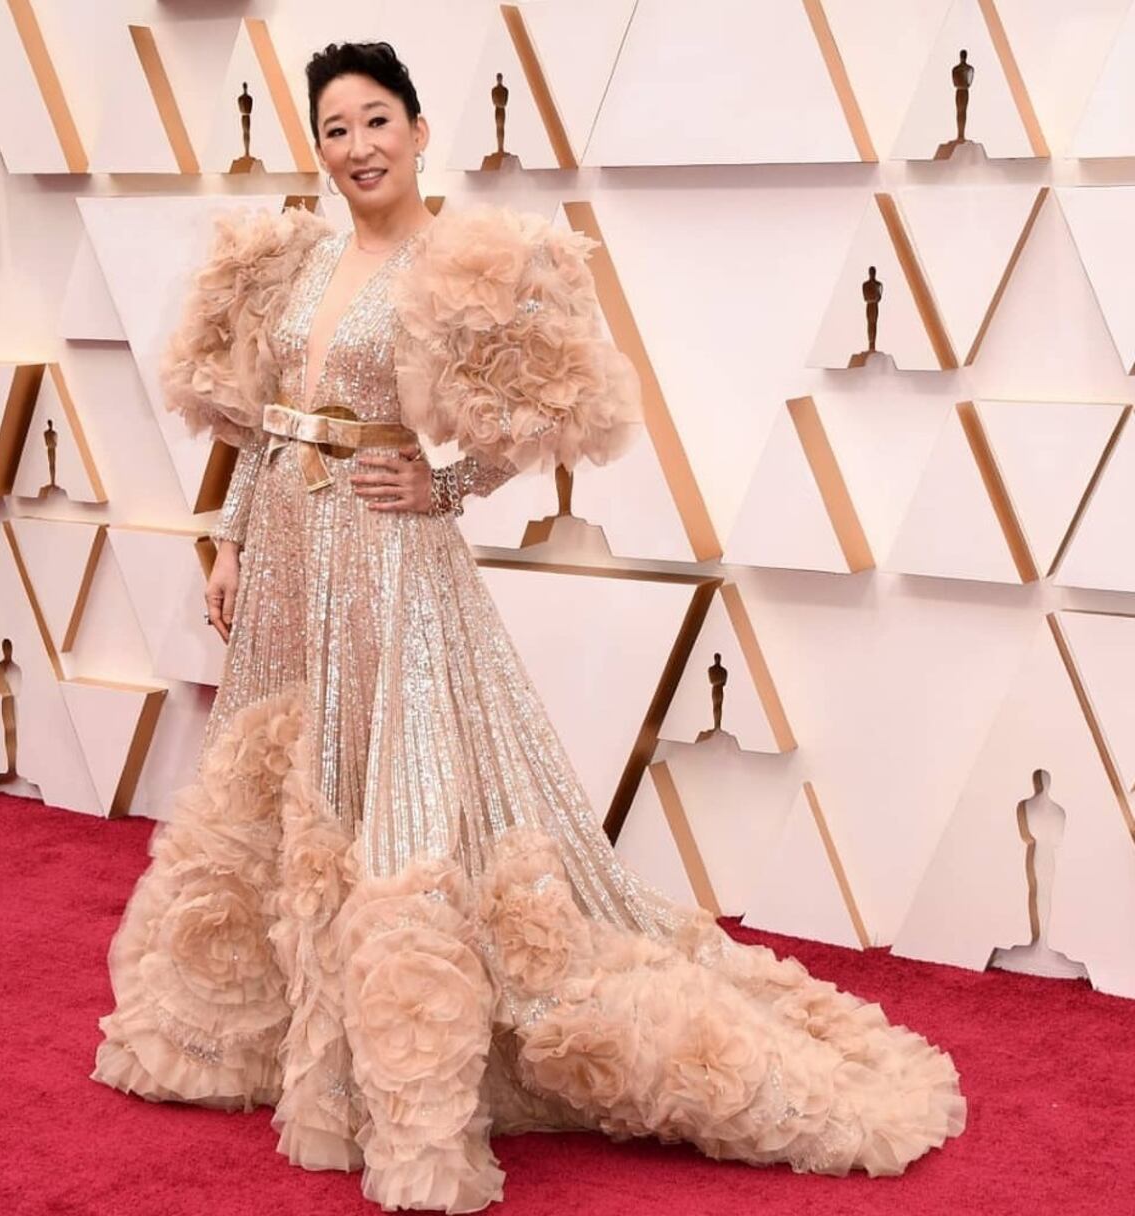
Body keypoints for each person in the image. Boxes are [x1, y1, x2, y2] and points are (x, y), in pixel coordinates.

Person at [90, 40, 966, 1214]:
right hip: (291, 560)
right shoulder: (299, 258)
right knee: (295, 785)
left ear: (419, 130)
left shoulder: (462, 264)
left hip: (389, 562)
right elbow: (265, 420)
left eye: (377, 121)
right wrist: (232, 540)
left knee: (401, 802)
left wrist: (446, 485)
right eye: (336, 129)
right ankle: (293, 1036)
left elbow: (548, 410)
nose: (357, 147)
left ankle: (401, 1064)